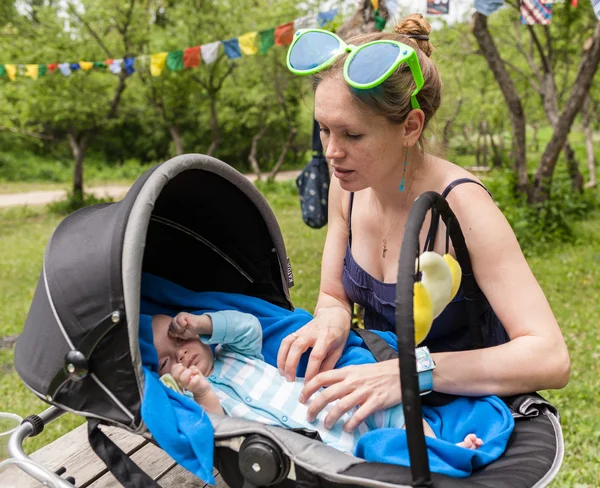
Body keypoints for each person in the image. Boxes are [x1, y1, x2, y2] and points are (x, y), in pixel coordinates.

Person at [277, 14, 570, 433]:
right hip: (381, 395)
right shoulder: (347, 187)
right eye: (323, 130)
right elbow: (332, 293)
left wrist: (411, 372)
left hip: (463, 413)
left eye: (352, 135)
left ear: (410, 127)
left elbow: (550, 357)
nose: (331, 152)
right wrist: (332, 318)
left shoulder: (462, 206)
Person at [151, 311, 485, 454]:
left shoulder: (233, 351)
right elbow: (217, 427)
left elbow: (248, 326)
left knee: (398, 413)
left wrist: (202, 323)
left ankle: (442, 452)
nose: (181, 355)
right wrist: (202, 391)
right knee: (374, 457)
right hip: (311, 442)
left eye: (182, 339)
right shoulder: (199, 396)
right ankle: (419, 467)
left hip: (335, 406)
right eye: (168, 359)